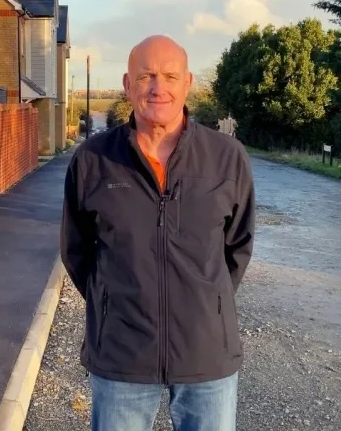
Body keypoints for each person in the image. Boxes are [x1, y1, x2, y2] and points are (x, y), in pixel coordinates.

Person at [60, 35, 256, 431]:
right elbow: (76, 249)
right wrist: (111, 300)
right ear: (127, 84)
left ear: (188, 83)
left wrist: (206, 301)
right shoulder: (94, 160)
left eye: (169, 75)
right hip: (121, 353)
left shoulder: (226, 157)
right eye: (146, 75)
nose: (157, 87)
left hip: (206, 351)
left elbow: (238, 245)